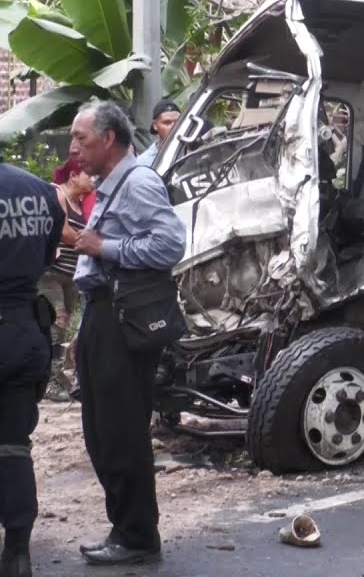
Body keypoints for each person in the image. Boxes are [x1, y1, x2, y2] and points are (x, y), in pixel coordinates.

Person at [68, 101, 186, 566]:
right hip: (104, 318)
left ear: (109, 140)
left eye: (82, 138)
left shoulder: (138, 183)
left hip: (125, 325)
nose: (73, 147)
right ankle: (126, 527)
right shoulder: (110, 185)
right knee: (101, 430)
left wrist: (106, 246)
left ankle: (137, 535)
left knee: (121, 431)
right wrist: (84, 328)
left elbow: (171, 243)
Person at [0, 155, 65, 577]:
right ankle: (18, 552)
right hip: (25, 330)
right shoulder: (41, 191)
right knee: (13, 444)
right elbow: (48, 255)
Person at [38, 160, 92, 335]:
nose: (93, 179)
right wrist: (93, 244)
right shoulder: (57, 192)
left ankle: (61, 361)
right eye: (88, 175)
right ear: (73, 176)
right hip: (53, 272)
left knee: (66, 326)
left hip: (72, 274)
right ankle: (51, 361)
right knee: (57, 321)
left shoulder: (82, 203)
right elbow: (65, 232)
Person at [134, 100, 181, 169]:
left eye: (178, 121)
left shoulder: (191, 149)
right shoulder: (143, 163)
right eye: (167, 123)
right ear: (155, 125)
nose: (173, 126)